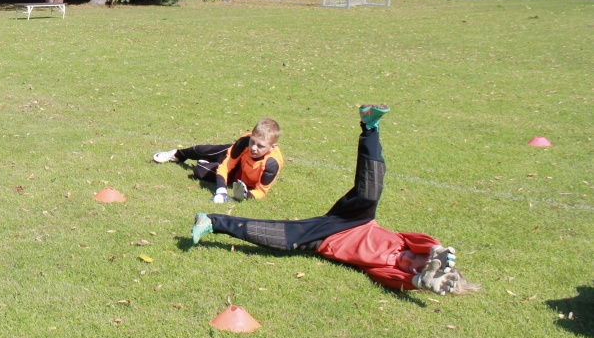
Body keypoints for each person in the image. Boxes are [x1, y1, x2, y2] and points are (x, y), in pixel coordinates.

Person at [190, 106, 478, 295]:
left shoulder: (389, 270)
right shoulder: (407, 245)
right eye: (418, 259)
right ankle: (370, 126)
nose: (410, 261)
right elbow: (419, 240)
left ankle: (212, 221)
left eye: (414, 268)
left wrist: (416, 282)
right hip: (357, 220)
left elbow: (392, 280)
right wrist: (435, 249)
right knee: (369, 192)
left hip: (326, 238)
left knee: (283, 238)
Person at [154, 118, 284, 203]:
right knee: (203, 150)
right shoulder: (244, 143)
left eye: (260, 146)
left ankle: (207, 163)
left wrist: (246, 195)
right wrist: (221, 191)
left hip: (239, 177)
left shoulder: (272, 164)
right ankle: (177, 154)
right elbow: (226, 166)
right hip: (235, 159)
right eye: (252, 142)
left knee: (199, 171)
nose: (254, 148)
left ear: (272, 147)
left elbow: (261, 191)